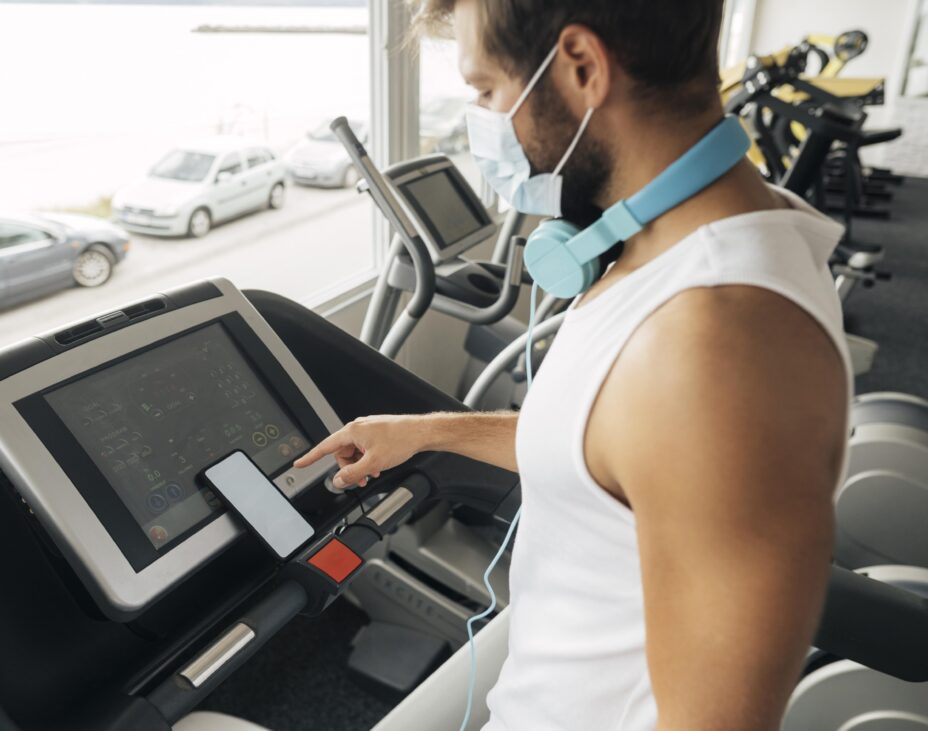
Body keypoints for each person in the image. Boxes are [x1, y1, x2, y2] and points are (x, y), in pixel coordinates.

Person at [296, 1, 851, 729]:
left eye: (487, 89)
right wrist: (429, 430)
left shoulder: (712, 347)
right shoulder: (696, 241)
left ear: (581, 66)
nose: (483, 117)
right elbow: (608, 448)